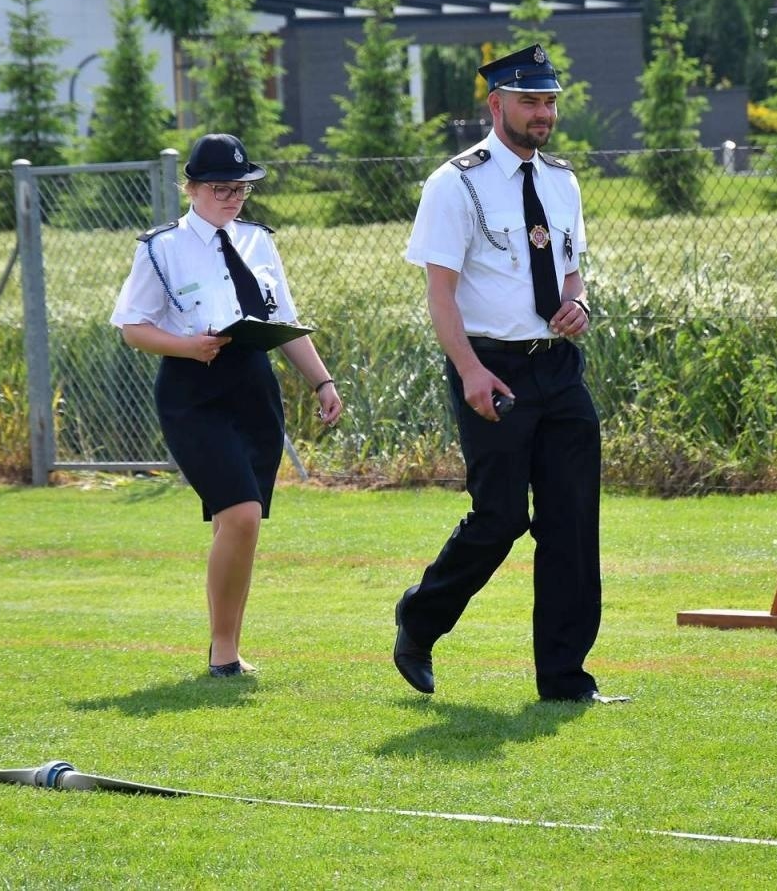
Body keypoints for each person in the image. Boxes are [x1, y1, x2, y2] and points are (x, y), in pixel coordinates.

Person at [391, 45, 624, 704]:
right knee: (499, 519)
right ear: (496, 105)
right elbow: (440, 295)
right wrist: (468, 371)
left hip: (559, 368)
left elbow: (572, 271)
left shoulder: (562, 181)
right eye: (530, 101)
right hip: (491, 367)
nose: (543, 113)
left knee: (571, 524)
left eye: (549, 101)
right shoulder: (454, 184)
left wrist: (579, 304)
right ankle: (420, 619)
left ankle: (565, 681)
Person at [111, 132, 343, 678]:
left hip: (252, 386)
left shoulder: (259, 241)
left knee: (240, 522)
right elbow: (132, 328)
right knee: (240, 514)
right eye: (221, 188)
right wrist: (188, 347)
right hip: (193, 389)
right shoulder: (161, 247)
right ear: (190, 188)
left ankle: (229, 646)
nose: (233, 198)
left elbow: (284, 321)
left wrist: (322, 381)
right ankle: (223, 652)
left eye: (241, 189)